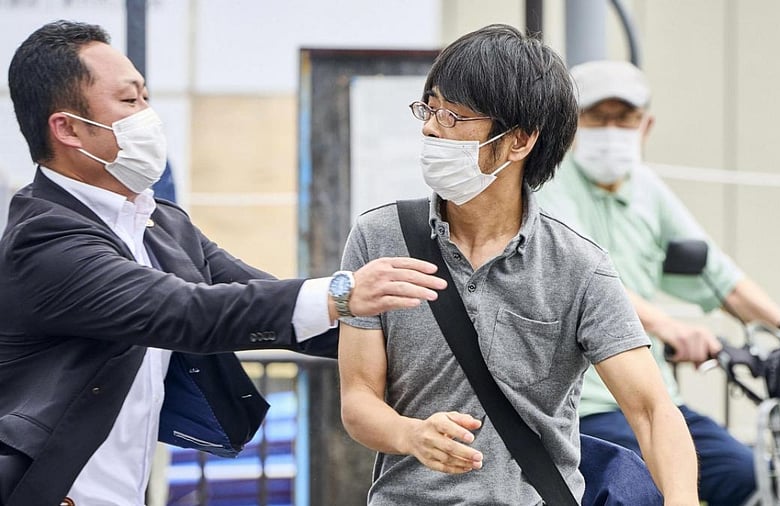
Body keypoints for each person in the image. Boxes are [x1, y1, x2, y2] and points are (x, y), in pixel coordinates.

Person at [0, 20, 447, 506]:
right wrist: (342, 292)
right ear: (66, 128)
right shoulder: (44, 237)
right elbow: (188, 312)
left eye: (147, 98)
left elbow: (277, 311)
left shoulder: (162, 225)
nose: (148, 116)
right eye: (129, 102)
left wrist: (441, 344)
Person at [337, 24, 699, 505]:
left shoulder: (578, 266)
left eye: (454, 116)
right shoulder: (379, 237)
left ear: (519, 141)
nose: (429, 127)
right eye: (430, 108)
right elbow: (358, 398)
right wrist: (409, 434)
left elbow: (652, 411)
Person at [537, 60, 780, 506]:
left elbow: (720, 277)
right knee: (636, 489)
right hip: (583, 404)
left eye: (624, 117)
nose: (612, 129)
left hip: (658, 397)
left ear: (645, 125)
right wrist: (669, 327)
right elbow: (586, 278)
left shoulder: (648, 190)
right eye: (598, 117)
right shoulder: (546, 187)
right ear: (573, 125)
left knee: (751, 478)